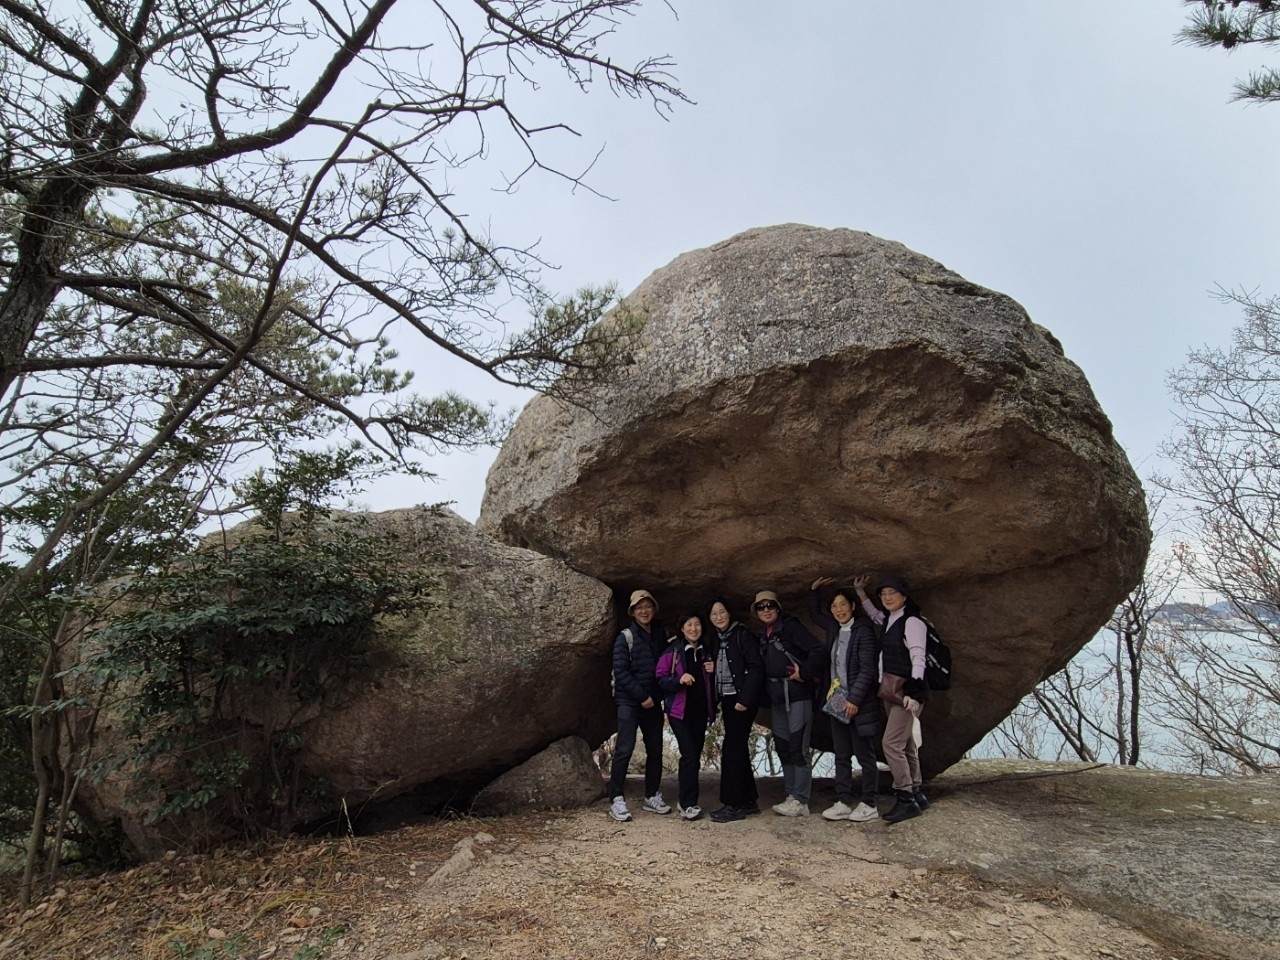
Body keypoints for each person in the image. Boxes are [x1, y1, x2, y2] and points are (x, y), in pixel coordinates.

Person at [854, 574, 931, 824]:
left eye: (892, 594)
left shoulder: (913, 622)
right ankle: (917, 791)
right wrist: (861, 594)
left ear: (905, 596)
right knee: (906, 743)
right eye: (883, 594)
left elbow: (919, 657)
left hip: (907, 692)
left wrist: (915, 693)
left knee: (890, 744)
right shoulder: (890, 619)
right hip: (891, 690)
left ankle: (905, 796)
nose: (887, 598)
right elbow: (876, 616)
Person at [808, 578, 883, 823]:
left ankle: (869, 803)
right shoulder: (834, 629)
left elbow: (867, 669)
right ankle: (842, 801)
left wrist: (855, 699)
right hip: (837, 699)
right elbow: (814, 615)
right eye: (834, 606)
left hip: (859, 701)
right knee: (841, 752)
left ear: (852, 606)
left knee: (865, 753)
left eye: (843, 605)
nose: (839, 610)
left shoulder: (863, 631)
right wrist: (813, 591)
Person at [754, 589, 824, 816]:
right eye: (761, 607)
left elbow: (818, 650)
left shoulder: (790, 627)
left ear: (778, 608)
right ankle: (791, 794)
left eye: (770, 606)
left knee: (798, 746)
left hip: (798, 694)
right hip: (776, 698)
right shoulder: (764, 635)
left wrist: (803, 672)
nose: (766, 610)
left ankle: (800, 800)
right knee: (783, 747)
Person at [608, 589, 672, 822]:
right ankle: (616, 798)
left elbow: (665, 666)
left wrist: (656, 696)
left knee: (655, 749)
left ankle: (652, 795)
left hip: (653, 702)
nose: (644, 611)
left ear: (653, 609)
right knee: (624, 749)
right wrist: (642, 696)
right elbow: (621, 672)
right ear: (633, 612)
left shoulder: (659, 635)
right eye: (639, 608)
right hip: (629, 701)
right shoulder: (625, 637)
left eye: (648, 606)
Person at [705, 597, 765, 823]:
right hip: (728, 701)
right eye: (714, 614)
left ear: (729, 614)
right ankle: (749, 801)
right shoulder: (715, 639)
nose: (718, 617)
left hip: (741, 701)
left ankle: (733, 805)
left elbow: (756, 667)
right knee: (737, 748)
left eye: (722, 612)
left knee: (731, 750)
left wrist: (745, 699)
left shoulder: (742, 635)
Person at [656, 612, 715, 820]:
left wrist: (713, 669)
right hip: (678, 712)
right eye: (689, 625)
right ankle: (687, 803)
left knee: (694, 756)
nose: (693, 628)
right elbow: (660, 678)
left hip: (700, 712)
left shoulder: (707, 652)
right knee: (689, 754)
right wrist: (679, 679)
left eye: (697, 624)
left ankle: (689, 801)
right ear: (682, 629)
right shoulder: (673, 651)